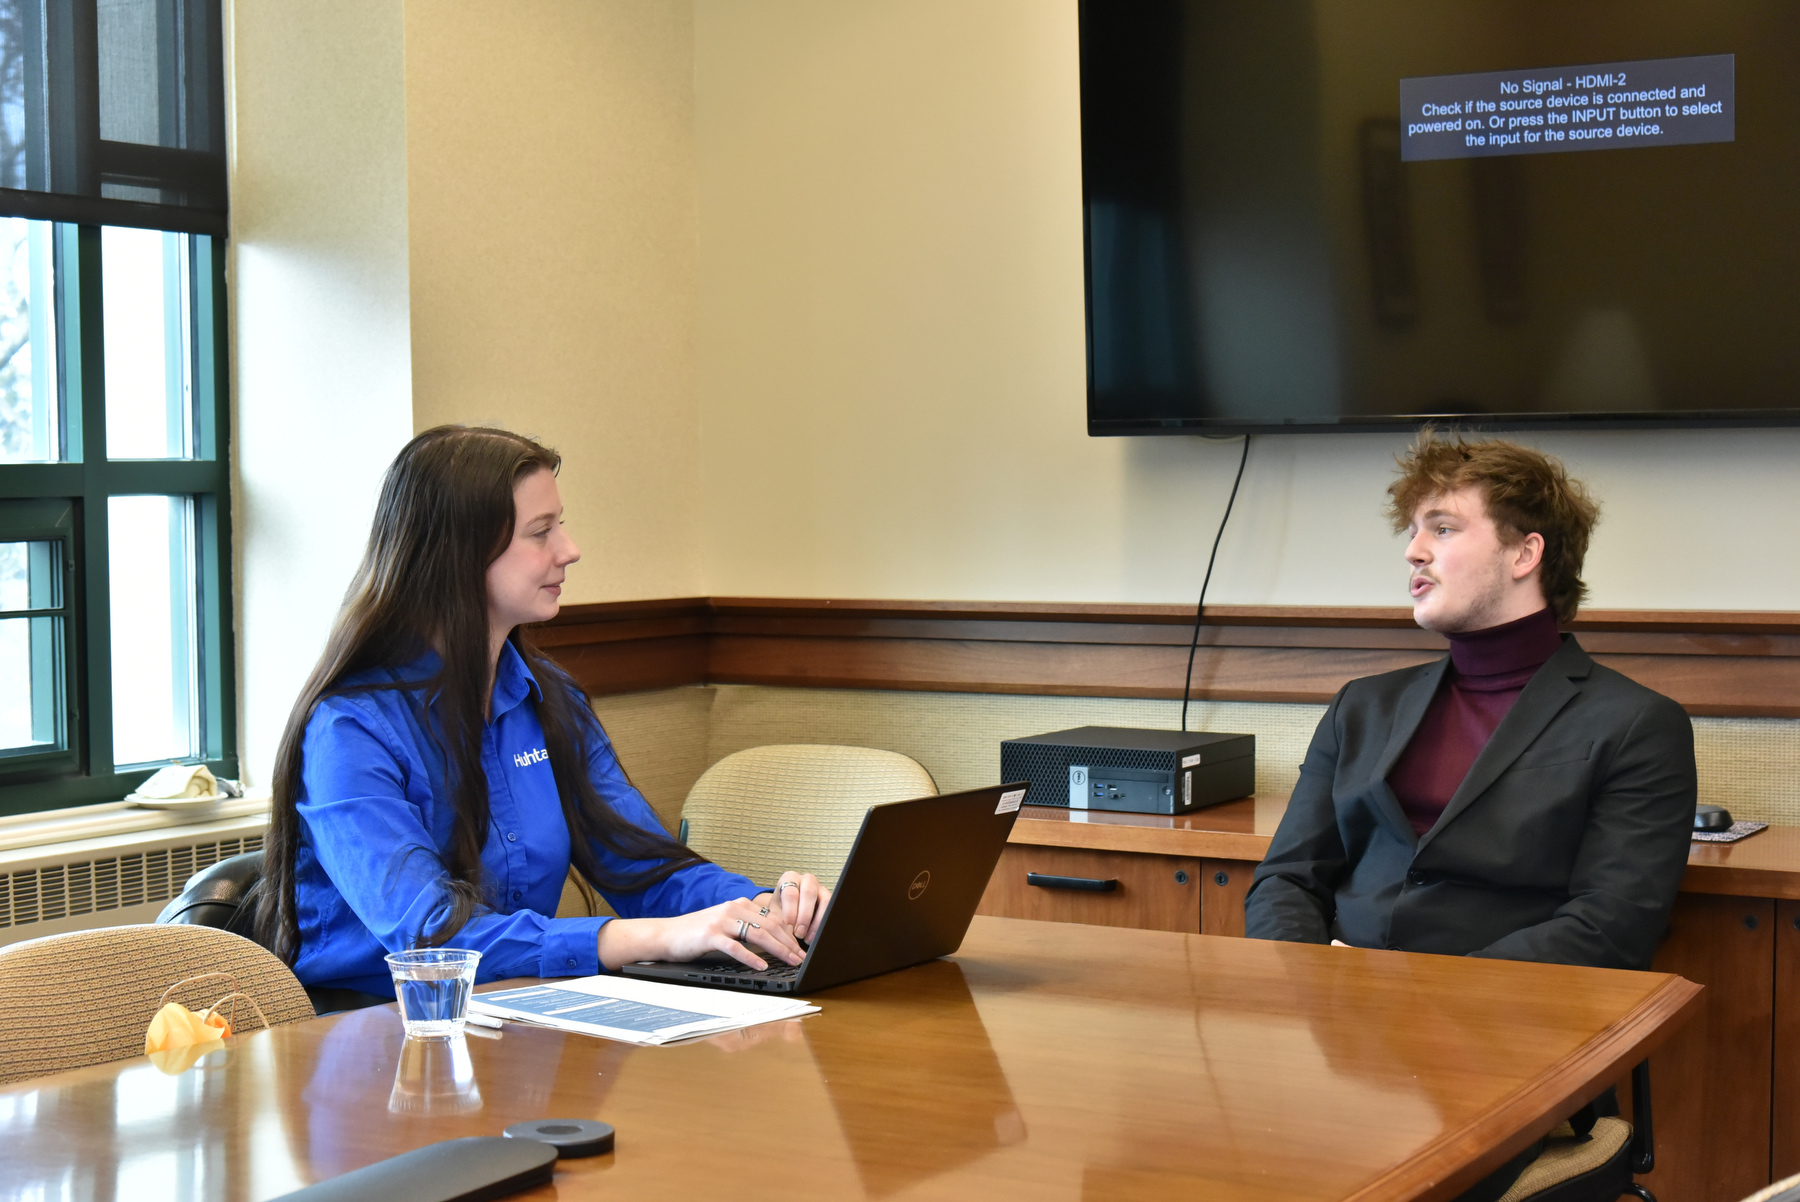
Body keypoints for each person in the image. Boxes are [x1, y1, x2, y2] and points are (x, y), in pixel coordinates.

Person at [255, 425, 827, 1000]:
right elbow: (431, 940)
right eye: (540, 532)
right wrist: (647, 938)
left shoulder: (549, 697)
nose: (569, 549)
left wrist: (764, 911)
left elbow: (643, 865)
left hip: (519, 1017)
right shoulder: (348, 731)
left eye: (561, 524)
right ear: (459, 557)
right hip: (372, 1036)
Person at [1246, 429, 1696, 971]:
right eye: (1413, 533)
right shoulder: (1361, 706)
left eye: (1443, 529)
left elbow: (1611, 925)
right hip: (1337, 1016)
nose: (1414, 551)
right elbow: (1287, 878)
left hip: (1508, 1021)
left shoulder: (1638, 724)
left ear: (1525, 553)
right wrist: (1315, 982)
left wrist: (1426, 994)